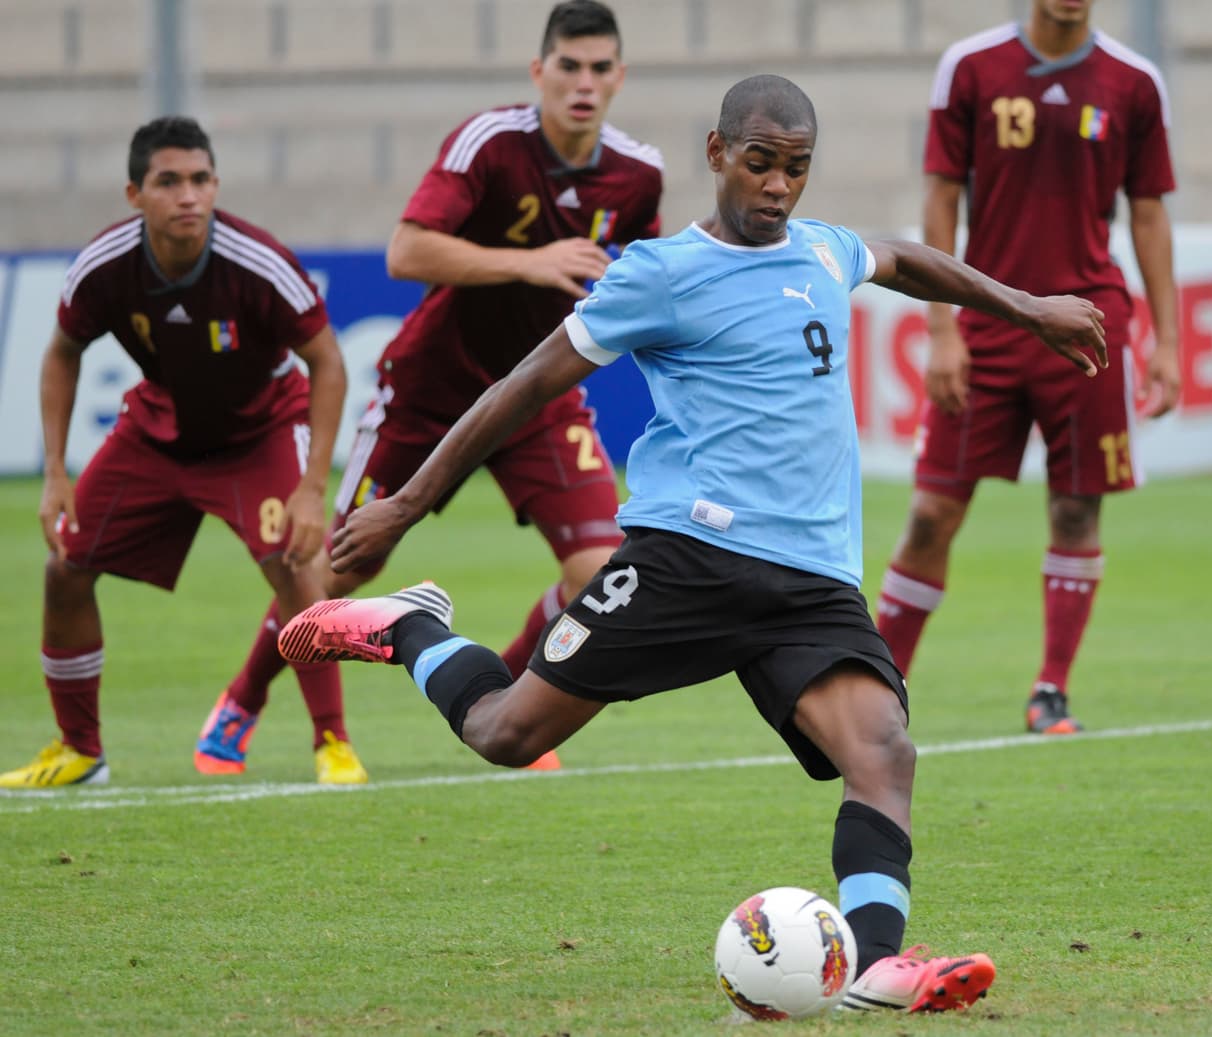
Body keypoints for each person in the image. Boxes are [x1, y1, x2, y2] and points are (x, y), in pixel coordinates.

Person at [276, 75, 1109, 1011]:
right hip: (688, 560)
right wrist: (408, 503)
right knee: (505, 732)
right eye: (760, 162)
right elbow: (525, 383)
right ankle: (408, 626)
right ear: (717, 153)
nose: (777, 185)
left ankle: (875, 964)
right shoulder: (661, 273)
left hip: (811, 579)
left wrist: (1026, 308)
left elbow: (906, 259)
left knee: (884, 750)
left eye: (796, 167)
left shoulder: (824, 250)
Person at [207, 0, 663, 774]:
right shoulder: (490, 143)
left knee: (598, 573)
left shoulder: (638, 172)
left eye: (598, 69)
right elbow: (406, 251)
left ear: (620, 77)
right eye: (568, 66)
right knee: (342, 568)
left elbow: (650, 275)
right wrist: (530, 262)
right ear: (539, 72)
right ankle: (244, 696)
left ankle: (507, 694)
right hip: (431, 390)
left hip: (539, 394)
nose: (583, 83)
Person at [0, 116, 357, 789]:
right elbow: (62, 351)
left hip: (259, 432)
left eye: (200, 179)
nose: (188, 196)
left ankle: (332, 742)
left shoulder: (258, 262)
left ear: (216, 184)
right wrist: (53, 473)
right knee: (64, 569)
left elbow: (328, 361)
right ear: (135, 194)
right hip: (158, 430)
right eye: (168, 182)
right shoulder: (104, 266)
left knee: (294, 565)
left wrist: (312, 487)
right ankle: (80, 750)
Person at [874, 0, 1180, 734]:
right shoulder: (971, 67)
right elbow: (941, 197)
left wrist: (1168, 341)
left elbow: (1147, 213)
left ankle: (1051, 692)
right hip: (987, 320)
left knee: (1076, 509)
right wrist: (941, 328)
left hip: (1087, 320)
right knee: (931, 513)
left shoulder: (1135, 82)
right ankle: (876, 687)